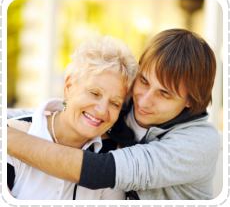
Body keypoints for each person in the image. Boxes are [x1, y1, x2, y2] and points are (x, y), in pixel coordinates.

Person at [7, 28, 221, 200]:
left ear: (190, 100)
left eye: (164, 94)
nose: (143, 100)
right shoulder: (123, 106)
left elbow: (101, 171)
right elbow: (56, 112)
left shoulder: (198, 142)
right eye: (144, 81)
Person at [6, 35, 139, 200]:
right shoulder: (15, 132)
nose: (102, 111)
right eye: (94, 93)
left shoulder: (111, 156)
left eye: (115, 103)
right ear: (68, 88)